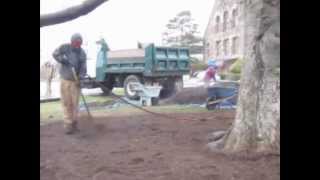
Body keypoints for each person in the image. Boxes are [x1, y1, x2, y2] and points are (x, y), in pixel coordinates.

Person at [52, 33, 87, 134]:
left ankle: (74, 123)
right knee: (67, 103)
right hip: (65, 80)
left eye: (79, 43)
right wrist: (62, 60)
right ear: (71, 42)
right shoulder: (65, 47)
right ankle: (68, 124)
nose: (77, 45)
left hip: (75, 82)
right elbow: (55, 54)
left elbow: (83, 68)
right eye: (75, 43)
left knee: (75, 104)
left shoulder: (82, 53)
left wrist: (80, 79)